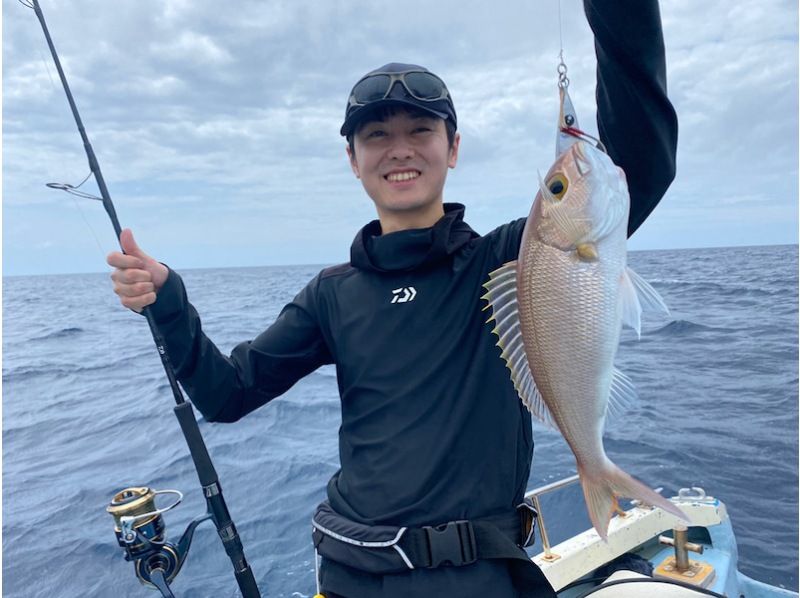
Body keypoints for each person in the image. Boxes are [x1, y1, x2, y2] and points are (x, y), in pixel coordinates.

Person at [107, 1, 677, 596]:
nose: (399, 148)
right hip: (350, 572)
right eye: (377, 135)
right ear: (352, 160)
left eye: (421, 130)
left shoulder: (517, 256)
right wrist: (168, 299)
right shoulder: (331, 295)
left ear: (453, 148)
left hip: (480, 575)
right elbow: (226, 394)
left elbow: (640, 160)